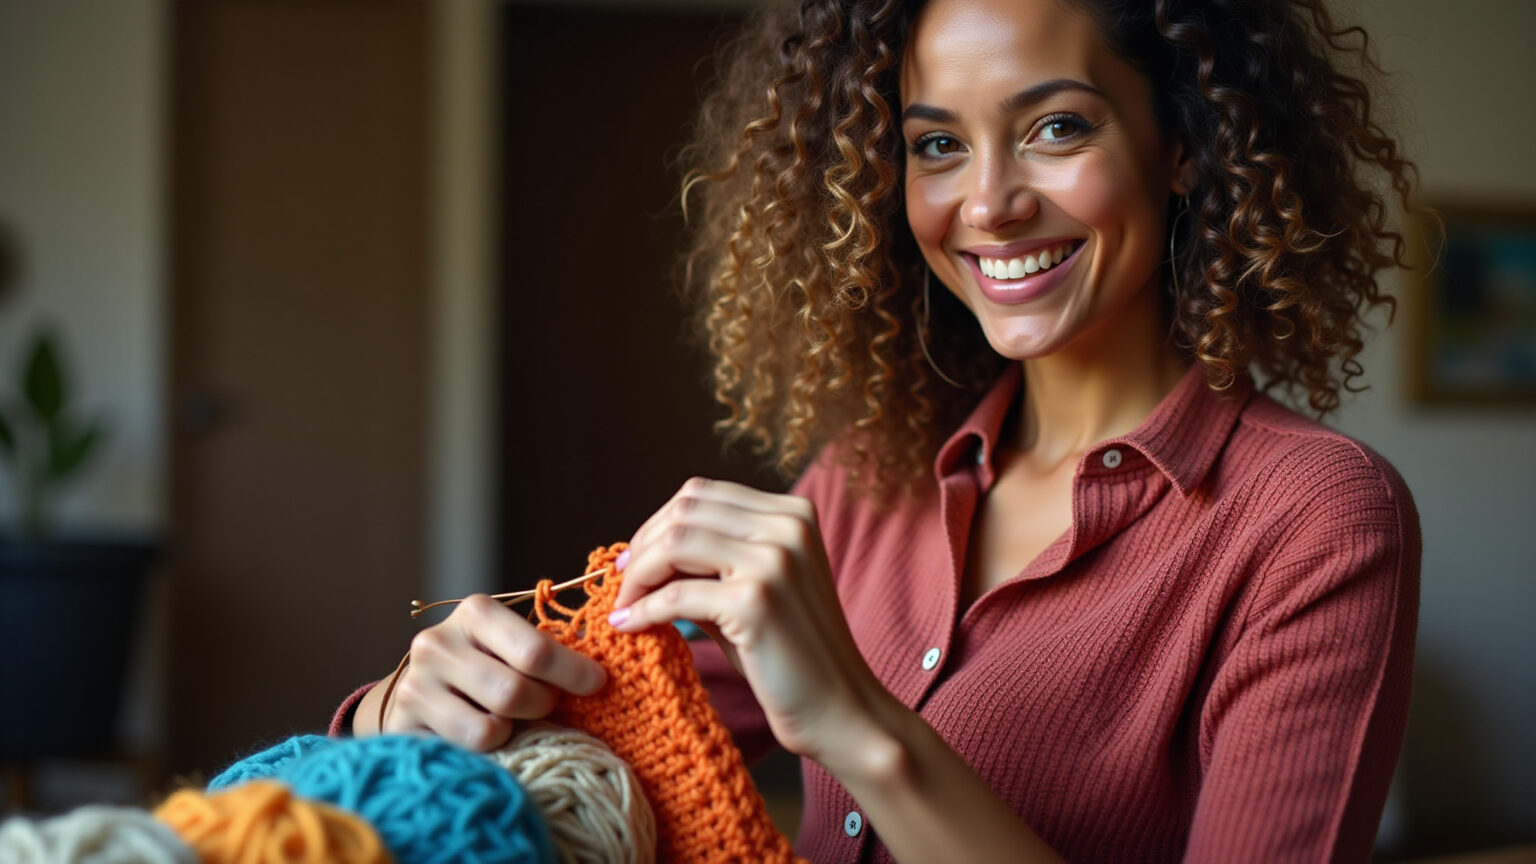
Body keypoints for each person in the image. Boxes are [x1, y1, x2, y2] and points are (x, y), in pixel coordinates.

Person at [335, 0, 1422, 859]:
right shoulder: (867, 482)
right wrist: (409, 711)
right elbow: (595, 729)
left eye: (1056, 127)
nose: (988, 203)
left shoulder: (1316, 520)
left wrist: (861, 724)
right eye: (937, 145)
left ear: (1182, 144)